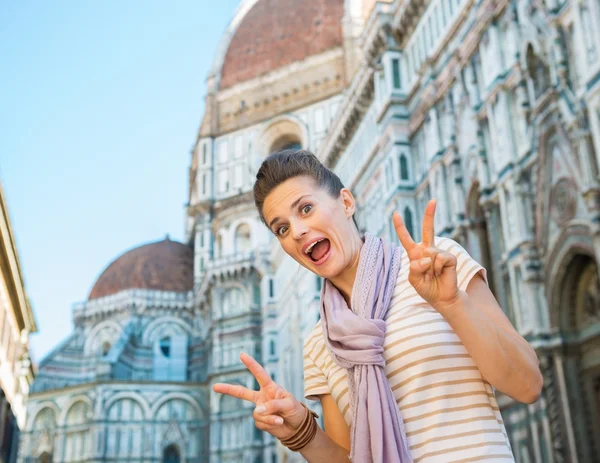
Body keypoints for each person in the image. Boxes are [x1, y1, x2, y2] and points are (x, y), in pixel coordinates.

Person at [213, 149, 543, 462]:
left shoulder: (437, 263)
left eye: (306, 209)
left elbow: (527, 384)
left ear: (346, 202)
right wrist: (303, 431)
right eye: (282, 228)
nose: (297, 231)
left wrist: (452, 302)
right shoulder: (319, 343)